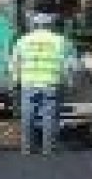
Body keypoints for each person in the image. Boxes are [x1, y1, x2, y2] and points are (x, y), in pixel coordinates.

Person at [9, 13, 77, 155]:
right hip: (51, 83)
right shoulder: (61, 41)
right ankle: (48, 148)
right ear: (51, 25)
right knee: (49, 116)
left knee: (28, 115)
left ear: (34, 25)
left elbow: (14, 63)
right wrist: (69, 81)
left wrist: (15, 81)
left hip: (28, 83)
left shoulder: (23, 41)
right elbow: (71, 65)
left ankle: (27, 148)